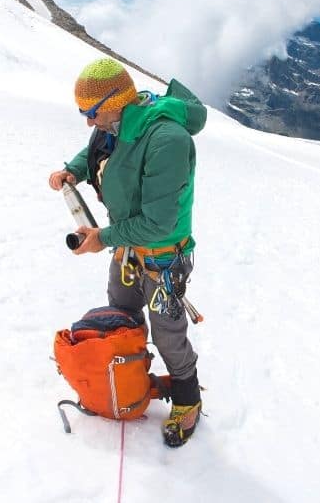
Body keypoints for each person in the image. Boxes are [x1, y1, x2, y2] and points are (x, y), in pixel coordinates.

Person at [48, 57, 206, 447]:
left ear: (117, 102)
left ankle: (189, 399)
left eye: (91, 112)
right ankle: (130, 376)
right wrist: (73, 170)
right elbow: (99, 150)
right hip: (128, 246)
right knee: (122, 312)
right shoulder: (113, 123)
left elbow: (160, 222)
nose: (88, 121)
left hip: (164, 254)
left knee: (167, 332)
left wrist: (102, 238)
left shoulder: (166, 139)